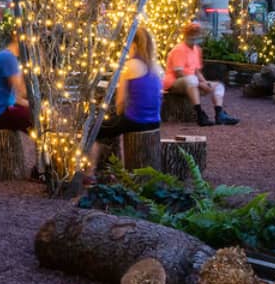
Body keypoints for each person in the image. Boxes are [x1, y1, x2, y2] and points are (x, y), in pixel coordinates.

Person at [91, 25, 162, 172]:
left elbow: (120, 102)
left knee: (94, 131)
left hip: (135, 120)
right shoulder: (157, 68)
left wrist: (117, 115)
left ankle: (89, 172)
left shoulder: (130, 66)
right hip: (155, 121)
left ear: (134, 45)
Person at [163, 21, 239, 126]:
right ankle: (199, 114)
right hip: (175, 83)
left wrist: (204, 82)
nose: (196, 38)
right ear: (186, 35)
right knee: (192, 80)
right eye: (193, 35)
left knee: (219, 86)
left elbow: (197, 71)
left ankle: (219, 114)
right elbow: (179, 73)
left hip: (193, 82)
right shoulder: (179, 50)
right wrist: (199, 83)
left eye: (197, 34)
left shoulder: (197, 50)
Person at [0, 29, 32, 133]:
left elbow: (19, 97)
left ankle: (44, 145)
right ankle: (47, 147)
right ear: (17, 37)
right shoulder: (8, 58)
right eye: (29, 38)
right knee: (36, 118)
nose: (31, 43)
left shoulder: (9, 57)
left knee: (37, 117)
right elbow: (20, 96)